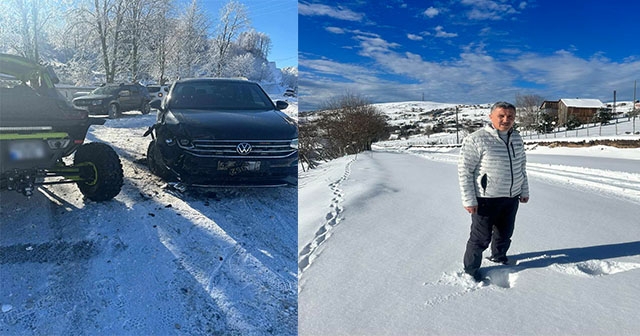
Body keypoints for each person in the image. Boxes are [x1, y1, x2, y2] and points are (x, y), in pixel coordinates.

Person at [457, 101, 530, 281]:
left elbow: (521, 166)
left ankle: (498, 258)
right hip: (485, 199)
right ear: (491, 117)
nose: (506, 119)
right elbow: (464, 170)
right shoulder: (476, 139)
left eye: (510, 116)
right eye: (501, 116)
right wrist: (469, 199)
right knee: (480, 238)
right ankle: (470, 271)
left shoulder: (517, 138)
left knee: (505, 233)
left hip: (511, 197)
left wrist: (524, 190)